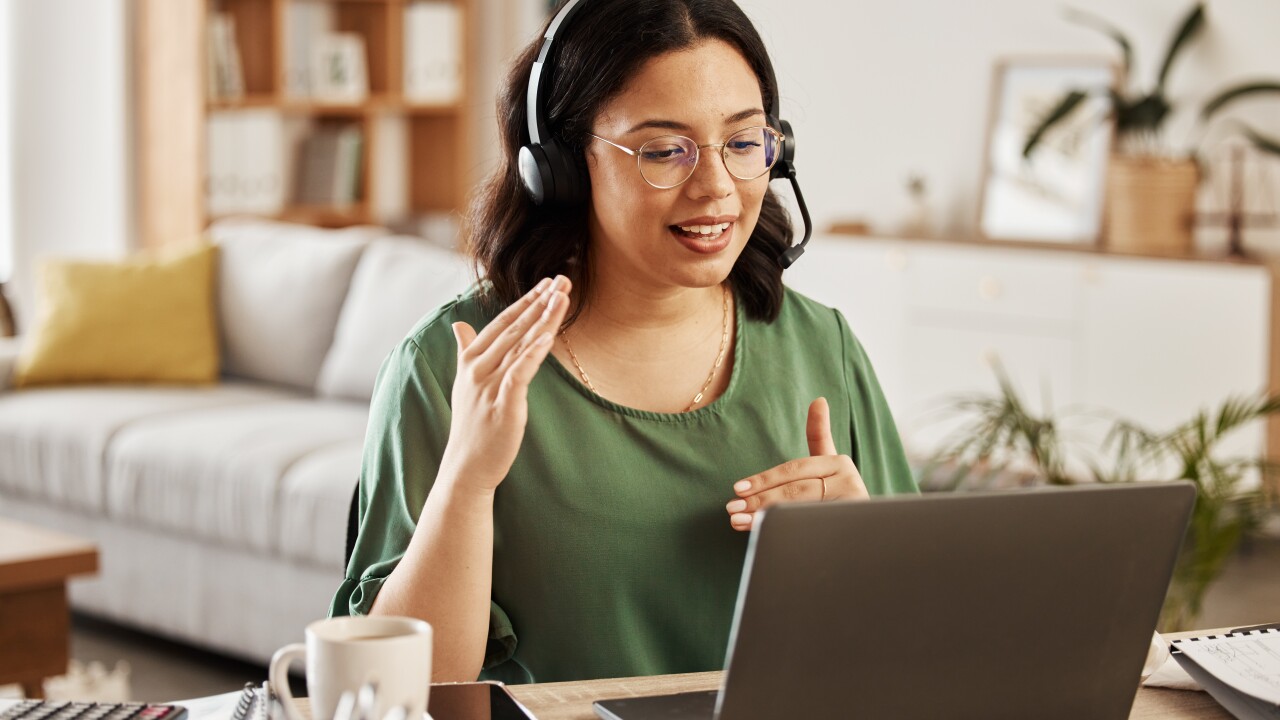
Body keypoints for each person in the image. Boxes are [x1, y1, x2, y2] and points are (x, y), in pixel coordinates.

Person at [331, 0, 917, 685]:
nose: (716, 187)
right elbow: (393, 693)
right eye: (665, 150)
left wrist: (862, 551)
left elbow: (918, 653)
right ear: (561, 166)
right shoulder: (452, 364)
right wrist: (467, 480)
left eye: (742, 142)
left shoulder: (826, 348)